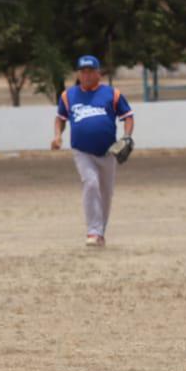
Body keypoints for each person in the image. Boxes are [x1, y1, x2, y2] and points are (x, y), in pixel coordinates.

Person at [51, 54, 135, 248]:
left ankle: (100, 233)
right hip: (82, 151)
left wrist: (127, 136)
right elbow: (60, 118)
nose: (86, 75)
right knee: (90, 184)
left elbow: (128, 116)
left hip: (108, 152)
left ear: (99, 74)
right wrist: (57, 136)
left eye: (90, 71)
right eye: (83, 72)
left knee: (106, 193)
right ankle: (93, 231)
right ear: (78, 74)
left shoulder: (111, 94)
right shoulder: (68, 96)